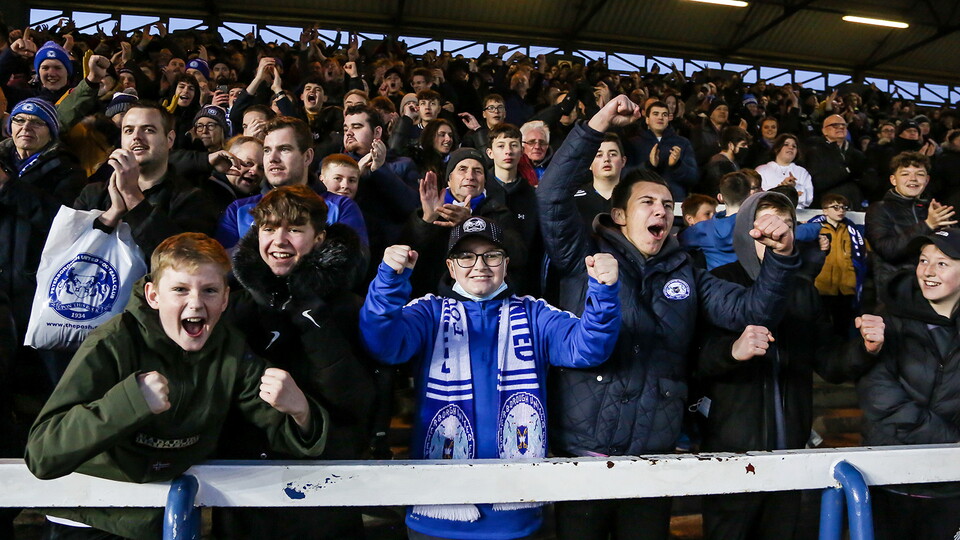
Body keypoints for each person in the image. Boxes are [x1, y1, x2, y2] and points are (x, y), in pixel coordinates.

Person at [538, 95, 800, 540]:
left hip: (653, 458)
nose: (660, 210)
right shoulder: (581, 255)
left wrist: (783, 257)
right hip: (583, 453)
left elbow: (752, 310)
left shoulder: (689, 272)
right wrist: (598, 124)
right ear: (619, 215)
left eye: (665, 203)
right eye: (646, 203)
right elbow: (551, 193)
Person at [25, 232, 328, 540]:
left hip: (163, 518)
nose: (195, 303)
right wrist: (130, 402)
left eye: (209, 290)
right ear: (154, 295)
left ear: (225, 298)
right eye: (180, 290)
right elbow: (43, 453)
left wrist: (301, 412)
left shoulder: (230, 348)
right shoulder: (112, 343)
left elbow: (287, 434)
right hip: (90, 518)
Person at [360, 216, 622, 540]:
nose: (480, 265)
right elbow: (383, 344)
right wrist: (388, 281)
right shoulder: (428, 312)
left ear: (506, 263)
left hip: (516, 517)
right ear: (451, 267)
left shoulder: (535, 313)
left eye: (491, 255)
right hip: (436, 516)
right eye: (466, 256)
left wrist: (605, 292)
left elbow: (589, 347)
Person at [215, 186, 376, 539]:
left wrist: (310, 318)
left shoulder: (348, 307)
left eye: (294, 229)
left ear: (318, 238)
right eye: (269, 229)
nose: (279, 240)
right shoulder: (235, 306)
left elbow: (357, 403)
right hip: (244, 486)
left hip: (323, 486)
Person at [695, 191, 845, 540]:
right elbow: (696, 361)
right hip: (731, 453)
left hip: (790, 452)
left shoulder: (803, 291)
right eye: (766, 225)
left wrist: (868, 348)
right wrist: (732, 350)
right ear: (746, 232)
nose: (777, 233)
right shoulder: (718, 280)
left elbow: (832, 364)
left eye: (786, 226)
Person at [855, 228, 960, 540]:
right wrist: (951, 442)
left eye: (942, 263)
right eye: (923, 260)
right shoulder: (888, 319)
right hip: (893, 478)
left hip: (950, 486)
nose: (927, 271)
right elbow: (879, 395)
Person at [73, 102, 220, 267]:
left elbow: (184, 262)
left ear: (170, 139)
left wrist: (131, 196)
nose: (136, 136)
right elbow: (70, 250)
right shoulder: (92, 193)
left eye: (148, 129)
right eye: (128, 130)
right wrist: (113, 213)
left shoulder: (194, 199)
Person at [216, 116, 368, 249]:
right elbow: (223, 270)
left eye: (284, 149)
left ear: (307, 157)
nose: (273, 158)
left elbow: (351, 268)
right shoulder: (238, 211)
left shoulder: (341, 208)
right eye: (267, 150)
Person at [865, 151, 957, 296]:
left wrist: (947, 230)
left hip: (935, 287)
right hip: (896, 290)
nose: (913, 179)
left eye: (919, 174)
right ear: (893, 180)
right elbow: (887, 250)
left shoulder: (934, 210)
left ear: (926, 180)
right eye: (905, 174)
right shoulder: (879, 209)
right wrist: (928, 225)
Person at [810, 193, 867, 338]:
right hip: (822, 285)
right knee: (820, 326)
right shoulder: (815, 228)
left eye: (843, 207)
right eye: (835, 207)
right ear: (824, 210)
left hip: (846, 285)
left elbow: (859, 254)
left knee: (843, 327)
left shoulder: (851, 230)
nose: (840, 210)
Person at [679, 171, 756, 270]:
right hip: (752, 281)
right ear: (750, 194)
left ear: (720, 197)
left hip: (717, 282)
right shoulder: (757, 223)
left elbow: (680, 241)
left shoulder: (702, 229)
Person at [756, 134, 815, 209]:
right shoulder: (762, 170)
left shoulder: (802, 172)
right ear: (777, 148)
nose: (791, 147)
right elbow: (758, 195)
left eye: (794, 146)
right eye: (786, 144)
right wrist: (782, 188)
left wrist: (795, 186)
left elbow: (808, 199)